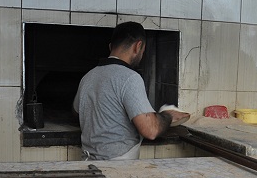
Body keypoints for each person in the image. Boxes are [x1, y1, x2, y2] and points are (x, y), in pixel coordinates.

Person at [72, 21, 190, 160]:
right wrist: (168, 116)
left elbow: (76, 113)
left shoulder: (88, 76)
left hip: (88, 163)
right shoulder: (130, 78)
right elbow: (150, 130)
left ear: (111, 47)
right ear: (138, 46)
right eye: (143, 50)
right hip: (118, 167)